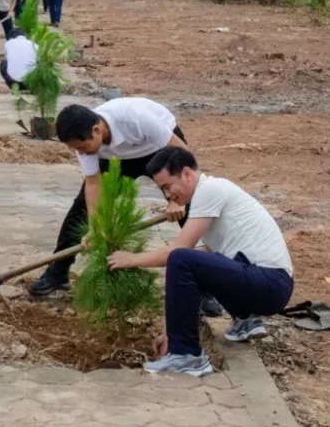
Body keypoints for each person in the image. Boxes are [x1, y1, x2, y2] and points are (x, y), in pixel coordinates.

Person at [27, 100, 226, 318]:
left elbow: (182, 154)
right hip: (116, 159)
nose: (81, 153)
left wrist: (176, 200)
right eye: (76, 149)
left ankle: (206, 288)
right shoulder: (83, 141)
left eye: (82, 148)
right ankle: (57, 272)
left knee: (188, 211)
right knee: (80, 211)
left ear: (96, 130)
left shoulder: (137, 118)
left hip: (160, 150)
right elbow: (93, 183)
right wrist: (95, 227)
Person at [107, 147, 294, 377]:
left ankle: (186, 355)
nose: (167, 196)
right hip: (269, 285)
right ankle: (245, 321)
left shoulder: (210, 190)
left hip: (269, 283)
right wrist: (169, 331)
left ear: (186, 174)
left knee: (181, 258)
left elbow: (178, 253)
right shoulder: (209, 196)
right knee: (195, 260)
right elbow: (195, 269)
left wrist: (132, 259)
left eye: (167, 186)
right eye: (162, 190)